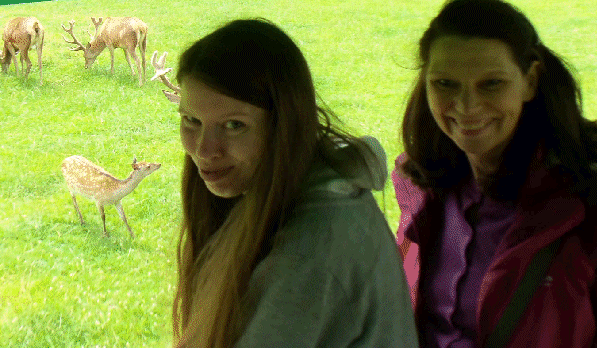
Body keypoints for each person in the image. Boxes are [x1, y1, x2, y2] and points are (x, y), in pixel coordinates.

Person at [394, 0, 597, 347]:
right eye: (445, 84)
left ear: (531, 81)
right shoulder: (420, 185)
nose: (466, 107)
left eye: (491, 84)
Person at [171, 18, 418, 347]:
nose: (204, 150)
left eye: (233, 125)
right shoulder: (282, 191)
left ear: (285, 125)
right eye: (192, 120)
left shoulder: (315, 252)